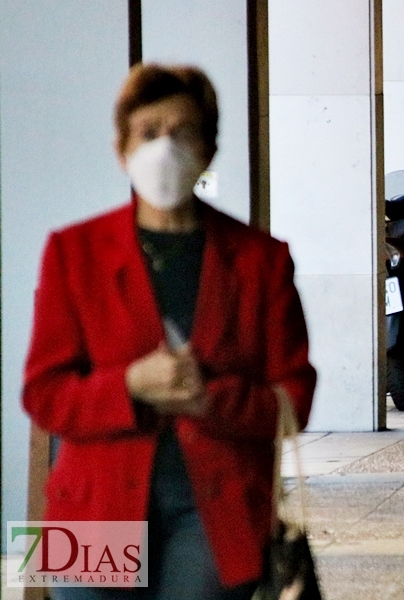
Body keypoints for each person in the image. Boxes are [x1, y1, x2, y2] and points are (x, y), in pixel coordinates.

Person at [22, 64, 318, 599]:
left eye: (182, 132)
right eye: (149, 132)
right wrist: (129, 384)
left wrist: (210, 398)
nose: (165, 147)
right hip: (89, 509)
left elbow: (294, 399)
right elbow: (42, 395)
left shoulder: (260, 260)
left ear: (208, 150)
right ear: (122, 150)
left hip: (217, 510)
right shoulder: (72, 252)